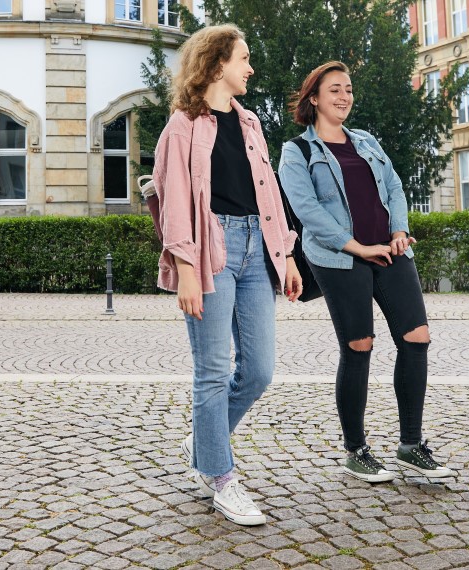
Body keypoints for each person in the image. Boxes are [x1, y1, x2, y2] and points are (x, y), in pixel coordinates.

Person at [152, 24, 303, 526]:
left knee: (258, 370)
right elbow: (174, 204)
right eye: (244, 58)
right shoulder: (181, 126)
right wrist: (187, 270)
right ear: (217, 64)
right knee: (213, 370)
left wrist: (286, 257)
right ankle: (220, 476)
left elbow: (270, 195)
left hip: (256, 251)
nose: (250, 67)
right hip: (209, 250)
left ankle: (203, 440)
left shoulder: (251, 123)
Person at [278, 61, 454, 483]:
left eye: (349, 89)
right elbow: (308, 212)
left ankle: (411, 446)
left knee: (417, 338)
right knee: (359, 346)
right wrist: (357, 246)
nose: (344, 97)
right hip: (340, 259)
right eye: (335, 90)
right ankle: (356, 449)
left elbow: (394, 186)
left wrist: (398, 229)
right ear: (314, 98)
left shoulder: (367, 141)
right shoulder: (296, 152)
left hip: (391, 253)